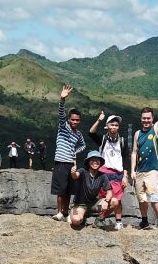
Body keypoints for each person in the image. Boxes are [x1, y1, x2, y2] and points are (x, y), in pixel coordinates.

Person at [131, 84, 158, 229]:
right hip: (140, 171)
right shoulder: (138, 134)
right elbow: (134, 152)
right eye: (143, 118)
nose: (146, 120)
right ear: (141, 118)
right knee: (141, 197)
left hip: (153, 169)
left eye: (148, 118)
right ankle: (144, 220)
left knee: (153, 194)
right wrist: (132, 170)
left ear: (152, 118)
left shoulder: (156, 129)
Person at [88, 112, 130, 229]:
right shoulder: (103, 139)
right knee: (107, 199)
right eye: (112, 125)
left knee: (118, 199)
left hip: (118, 174)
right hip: (104, 173)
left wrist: (125, 176)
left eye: (116, 125)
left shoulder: (122, 141)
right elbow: (91, 133)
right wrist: (99, 120)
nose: (114, 127)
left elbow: (126, 158)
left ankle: (117, 221)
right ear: (107, 125)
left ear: (118, 127)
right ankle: (101, 218)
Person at [51, 84, 86, 221]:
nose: (75, 122)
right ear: (69, 120)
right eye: (73, 119)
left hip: (71, 163)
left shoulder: (78, 134)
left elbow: (83, 145)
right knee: (61, 189)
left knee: (68, 189)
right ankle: (59, 212)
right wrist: (62, 99)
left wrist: (75, 151)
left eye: (77, 120)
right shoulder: (63, 127)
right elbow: (61, 114)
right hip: (60, 162)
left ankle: (65, 212)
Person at [68, 151, 117, 229]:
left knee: (114, 201)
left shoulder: (102, 176)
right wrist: (73, 172)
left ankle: (99, 220)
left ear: (100, 162)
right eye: (92, 160)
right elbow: (75, 176)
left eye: (97, 160)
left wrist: (106, 201)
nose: (95, 162)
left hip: (94, 205)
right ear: (88, 162)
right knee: (76, 221)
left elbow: (109, 192)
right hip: (80, 205)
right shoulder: (83, 171)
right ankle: (74, 212)